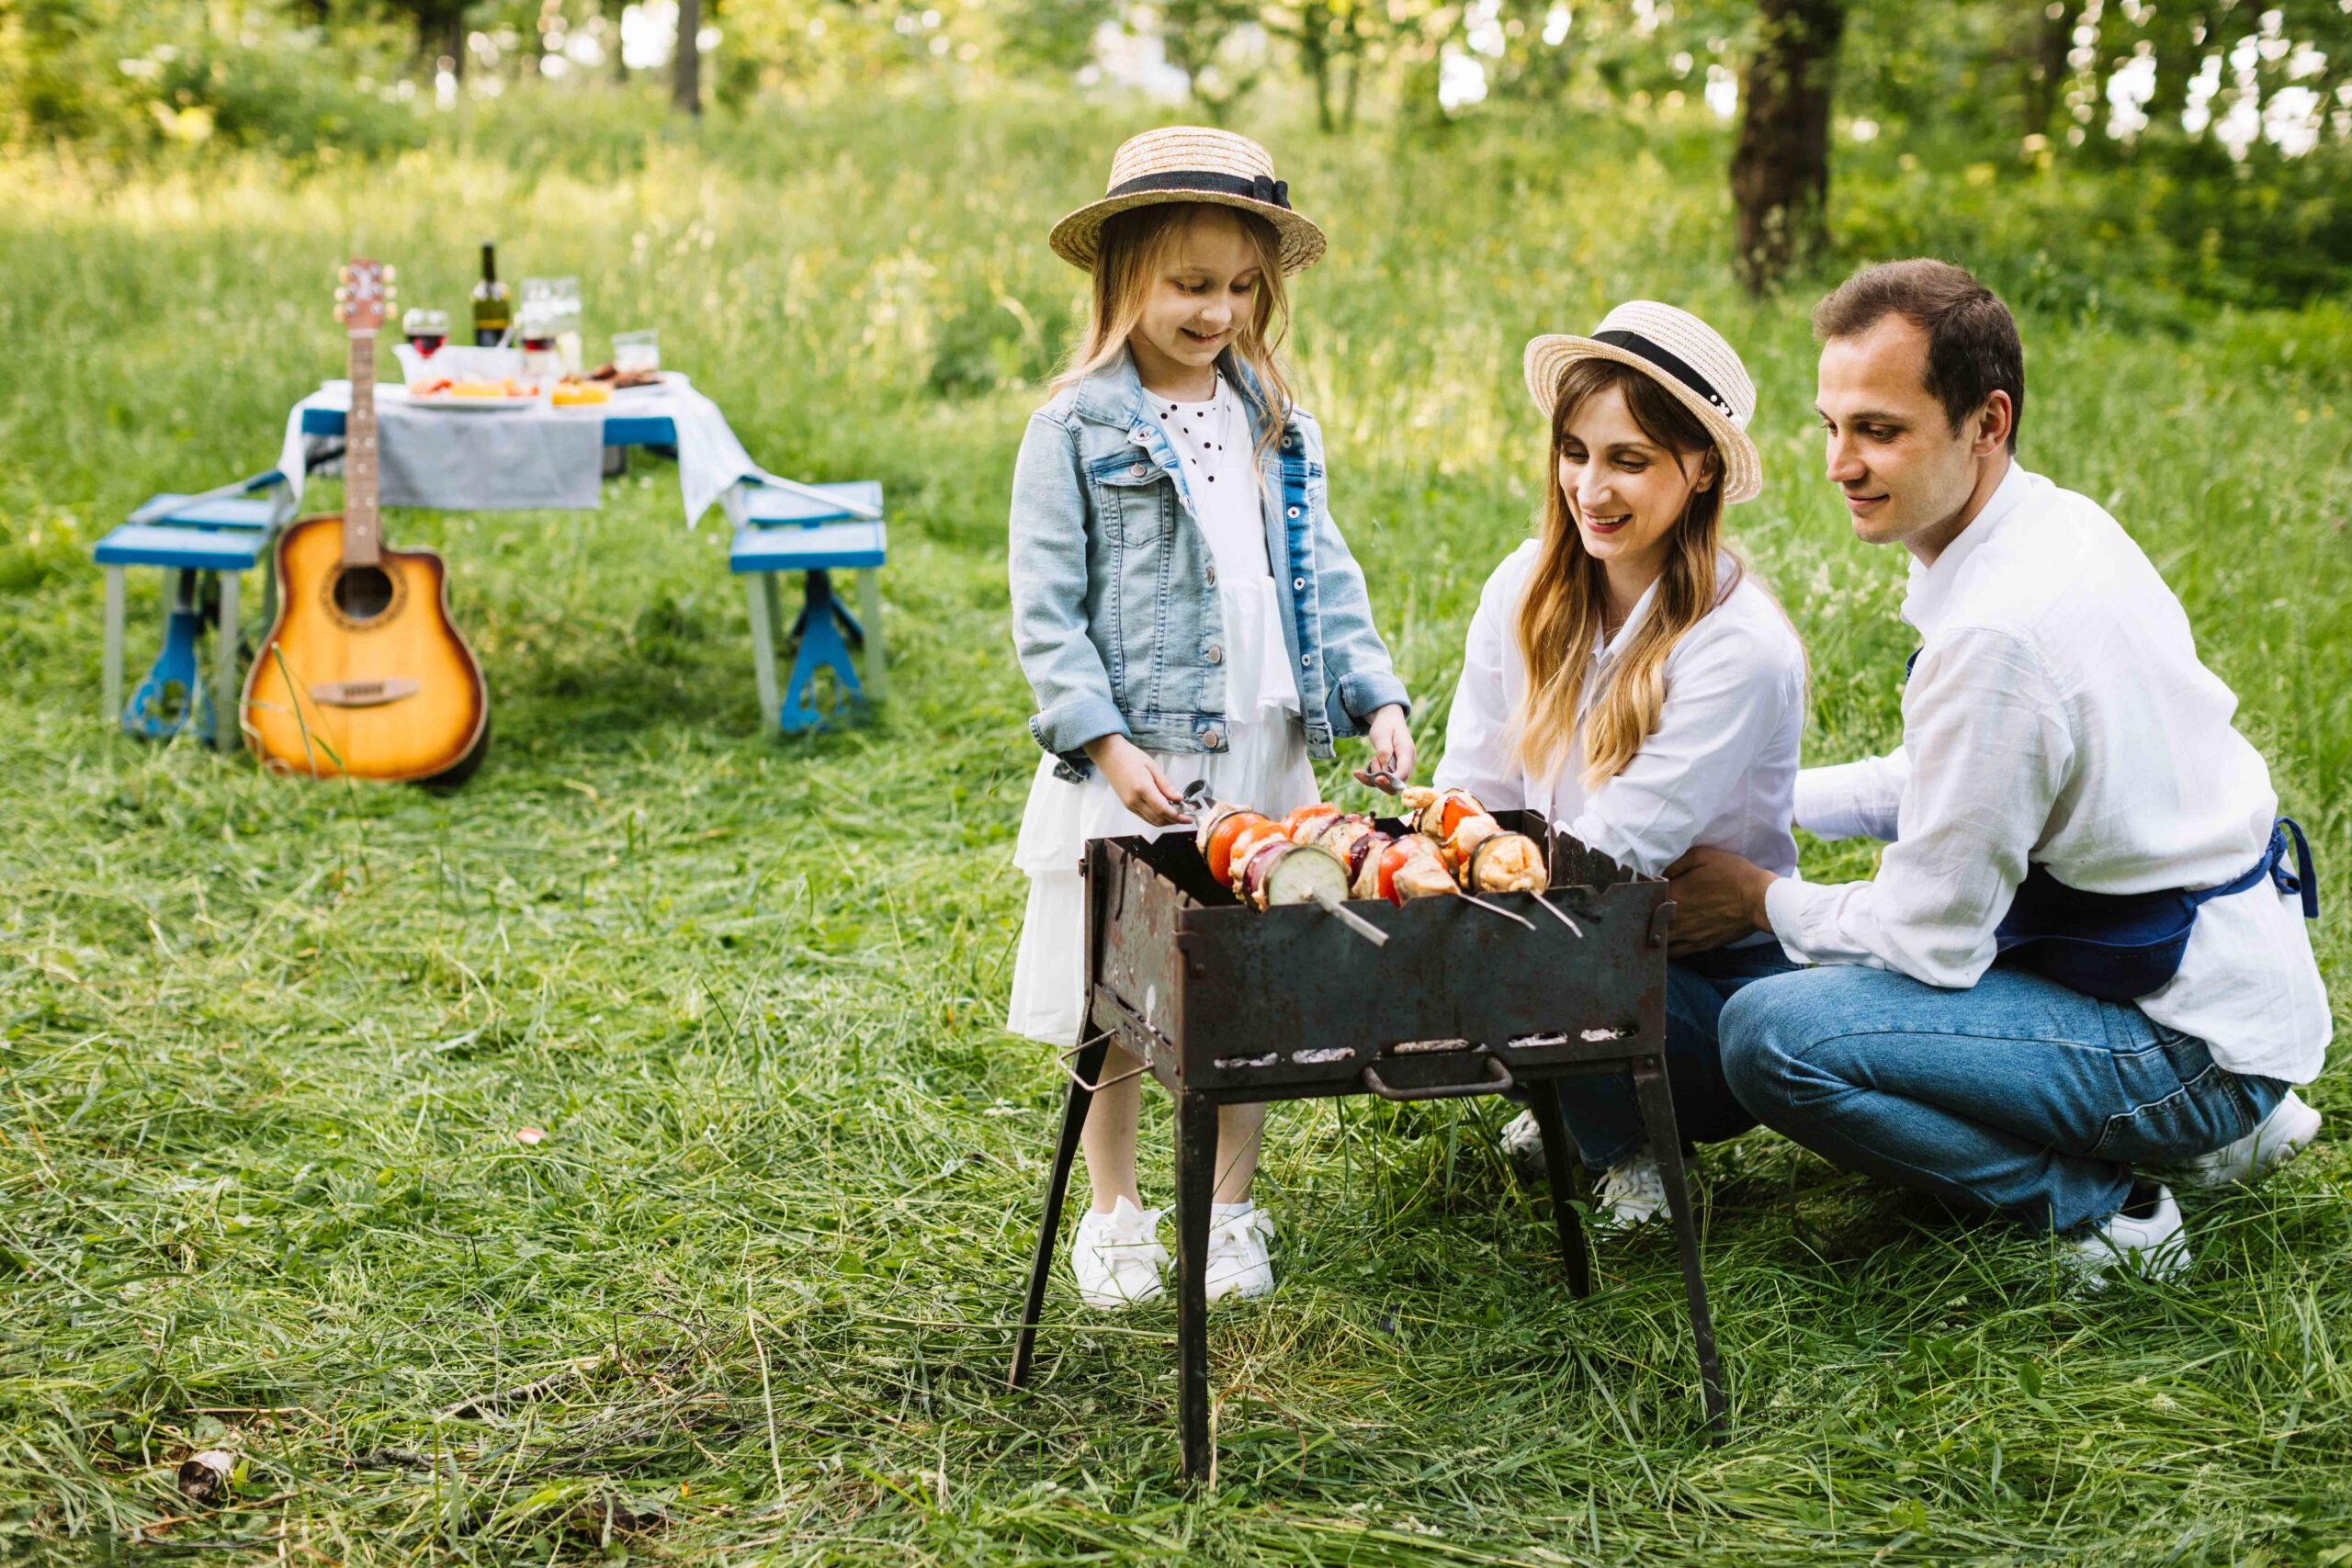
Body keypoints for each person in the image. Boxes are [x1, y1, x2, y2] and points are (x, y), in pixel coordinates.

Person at [1669, 259, 2327, 1287]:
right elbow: (1949, 780)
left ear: (1987, 422)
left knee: (1770, 1034)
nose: (1838, 463)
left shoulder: (1999, 633)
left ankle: (2111, 1212)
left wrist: (1758, 896)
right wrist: (1748, 800)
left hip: (2185, 1036)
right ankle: (2219, 1134)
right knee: (1807, 957)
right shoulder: (2046, 524)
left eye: (1879, 430)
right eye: (1829, 424)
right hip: (2218, 984)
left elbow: (1929, 938)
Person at [1004, 127, 1415, 1309]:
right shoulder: (1073, 428)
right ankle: (1117, 1206)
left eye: (1240, 287)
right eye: (1190, 285)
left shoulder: (1273, 419)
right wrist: (1103, 741)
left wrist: (1373, 692)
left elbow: (1323, 581)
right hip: (1143, 751)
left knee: (1251, 988)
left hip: (1263, 742)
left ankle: (1228, 1207)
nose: (1217, 311)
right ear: (1124, 276)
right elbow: (1046, 612)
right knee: (1122, 997)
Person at [1433, 302, 1806, 1228]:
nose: (1589, 488)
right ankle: (1568, 1093)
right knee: (1453, 926)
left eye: (1628, 461)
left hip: (1700, 979)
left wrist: (1473, 907)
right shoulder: (1523, 587)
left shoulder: (1737, 646)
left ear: (1701, 469)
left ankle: (1633, 1130)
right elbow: (1468, 784)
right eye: (1575, 451)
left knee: (1527, 950)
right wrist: (1440, 851)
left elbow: (1611, 858)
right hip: (1552, 916)